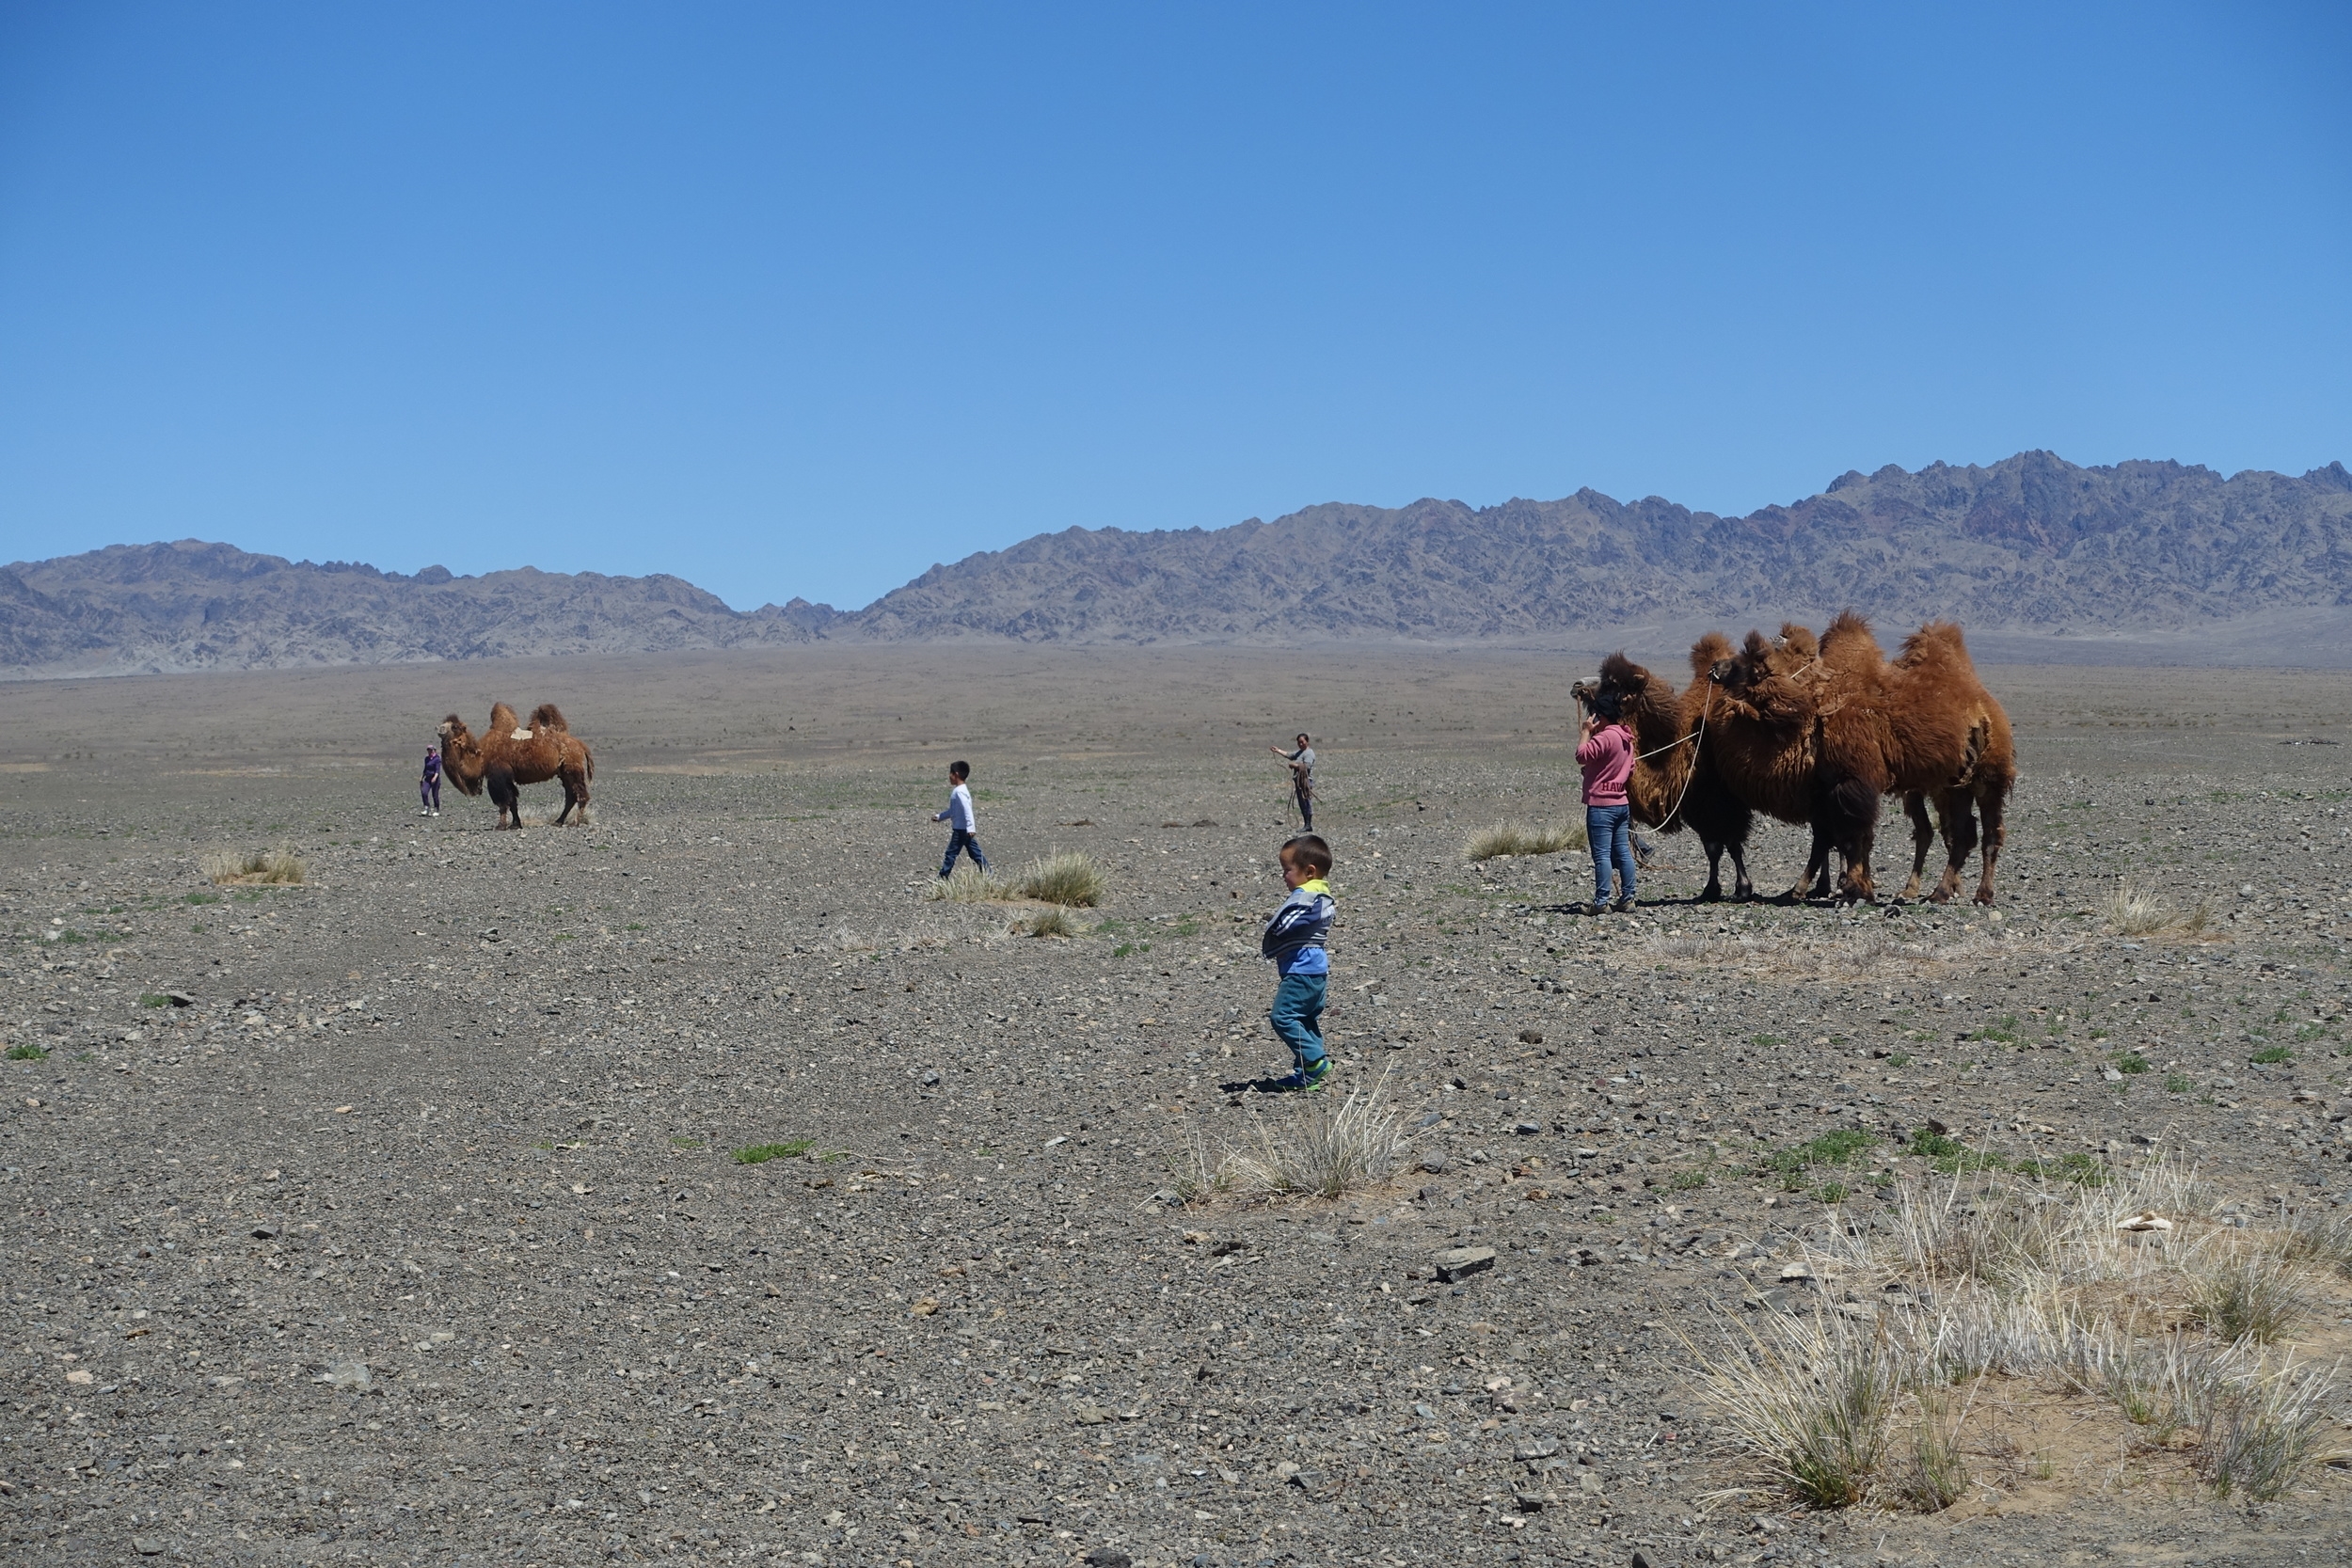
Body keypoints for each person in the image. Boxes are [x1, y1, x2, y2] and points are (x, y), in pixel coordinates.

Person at [1261, 833, 1336, 1091]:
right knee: (1304, 1019)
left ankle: (1315, 1061)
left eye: (1287, 870)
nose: (1284, 876)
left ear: (1309, 871)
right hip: (1314, 970)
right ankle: (1308, 1074)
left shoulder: (1309, 896)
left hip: (1302, 971)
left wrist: (1278, 927)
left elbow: (1292, 924)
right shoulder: (1320, 894)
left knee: (1283, 1017)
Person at [1576, 691, 1636, 913]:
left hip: (1601, 806)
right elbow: (1629, 768)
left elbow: (1582, 754)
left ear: (1600, 716)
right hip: (1621, 803)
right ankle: (1628, 898)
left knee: (1601, 855)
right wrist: (1596, 772)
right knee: (1623, 851)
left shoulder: (1604, 737)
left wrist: (1585, 732)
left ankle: (1601, 903)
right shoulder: (1626, 737)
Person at [932, 760, 990, 878]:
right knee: (975, 852)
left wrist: (971, 827)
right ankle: (987, 872)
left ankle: (943, 877)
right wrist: (940, 817)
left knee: (951, 853)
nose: (949, 776)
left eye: (951, 773)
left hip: (961, 829)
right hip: (965, 829)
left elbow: (967, 810)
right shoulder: (961, 790)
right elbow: (954, 811)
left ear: (956, 774)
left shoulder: (959, 792)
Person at [1270, 733, 1316, 831]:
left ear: (1307, 742)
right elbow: (1290, 755)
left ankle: (1308, 825)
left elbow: (1307, 766)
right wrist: (1278, 750)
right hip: (1299, 781)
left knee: (1306, 802)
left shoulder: (1309, 753)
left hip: (1306, 781)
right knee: (1301, 802)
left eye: (1302, 742)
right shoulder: (1300, 752)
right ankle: (1306, 825)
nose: (1300, 744)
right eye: (1299, 742)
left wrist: (1294, 765)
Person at [419, 744, 442, 816]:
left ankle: (436, 809)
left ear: (434, 750)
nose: (430, 751)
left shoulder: (437, 759)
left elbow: (437, 770)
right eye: (428, 750)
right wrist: (421, 777)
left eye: (431, 750)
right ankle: (426, 807)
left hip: (435, 779)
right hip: (427, 778)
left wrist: (435, 777)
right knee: (424, 792)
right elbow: (425, 769)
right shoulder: (427, 759)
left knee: (435, 795)